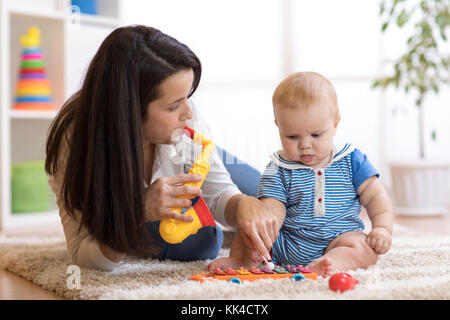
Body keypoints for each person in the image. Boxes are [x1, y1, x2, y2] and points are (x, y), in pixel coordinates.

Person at [45, 25, 275, 271]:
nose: (189, 112)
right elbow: (83, 254)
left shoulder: (186, 125)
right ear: (130, 111)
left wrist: (242, 205)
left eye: (188, 97)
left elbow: (219, 194)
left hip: (188, 152)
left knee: (274, 200)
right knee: (204, 241)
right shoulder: (75, 144)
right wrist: (136, 215)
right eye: (174, 105)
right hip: (137, 214)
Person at [208, 71, 394, 277]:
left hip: (338, 240)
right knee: (251, 228)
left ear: (335, 124)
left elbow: (375, 195)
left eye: (316, 135)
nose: (305, 145)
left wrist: (382, 228)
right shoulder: (278, 167)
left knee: (364, 248)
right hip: (286, 243)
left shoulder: (352, 160)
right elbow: (272, 209)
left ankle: (330, 262)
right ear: (279, 126)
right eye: (292, 136)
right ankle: (241, 260)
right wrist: (263, 234)